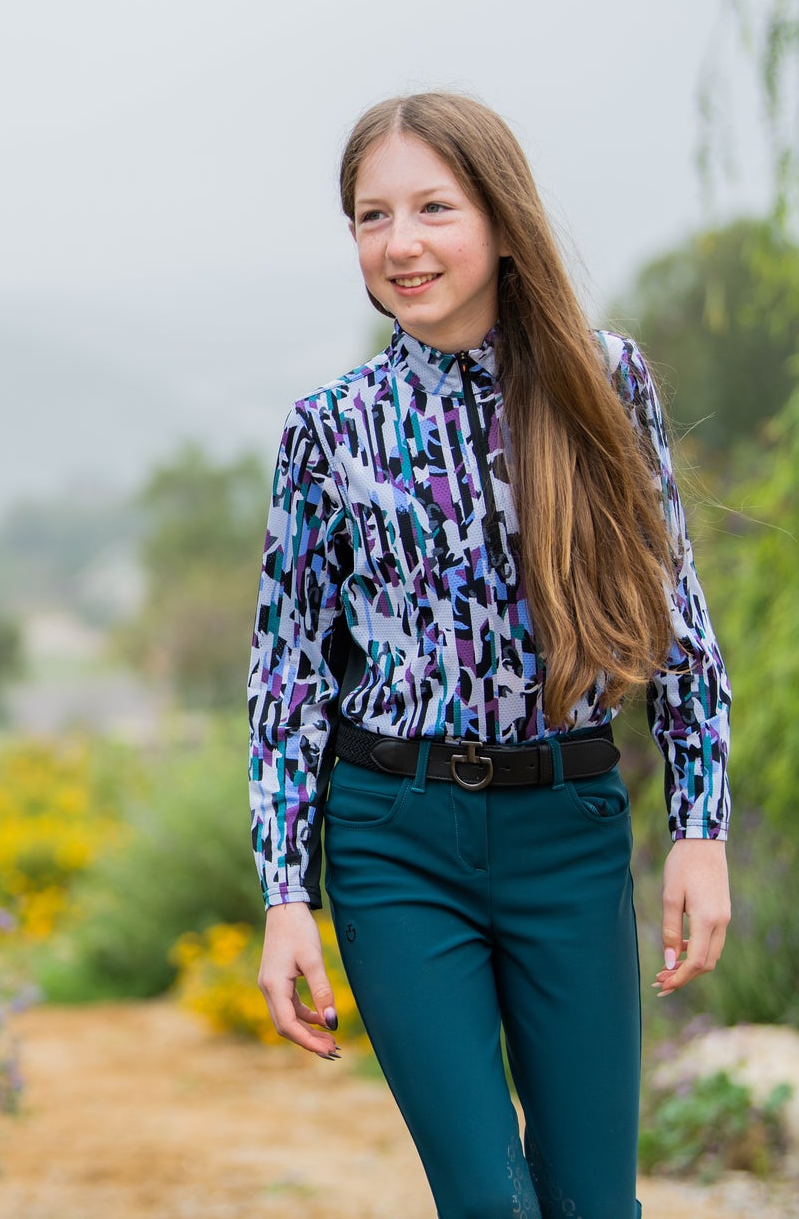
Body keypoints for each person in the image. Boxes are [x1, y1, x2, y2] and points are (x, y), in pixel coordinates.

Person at [247, 92, 733, 1218]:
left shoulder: (603, 380)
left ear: (502, 223)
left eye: (431, 208)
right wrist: (284, 892)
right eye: (370, 216)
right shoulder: (330, 427)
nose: (398, 242)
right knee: (489, 1204)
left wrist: (699, 829)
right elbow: (288, 676)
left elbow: (675, 616)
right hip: (393, 840)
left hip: (565, 832)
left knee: (593, 1207)